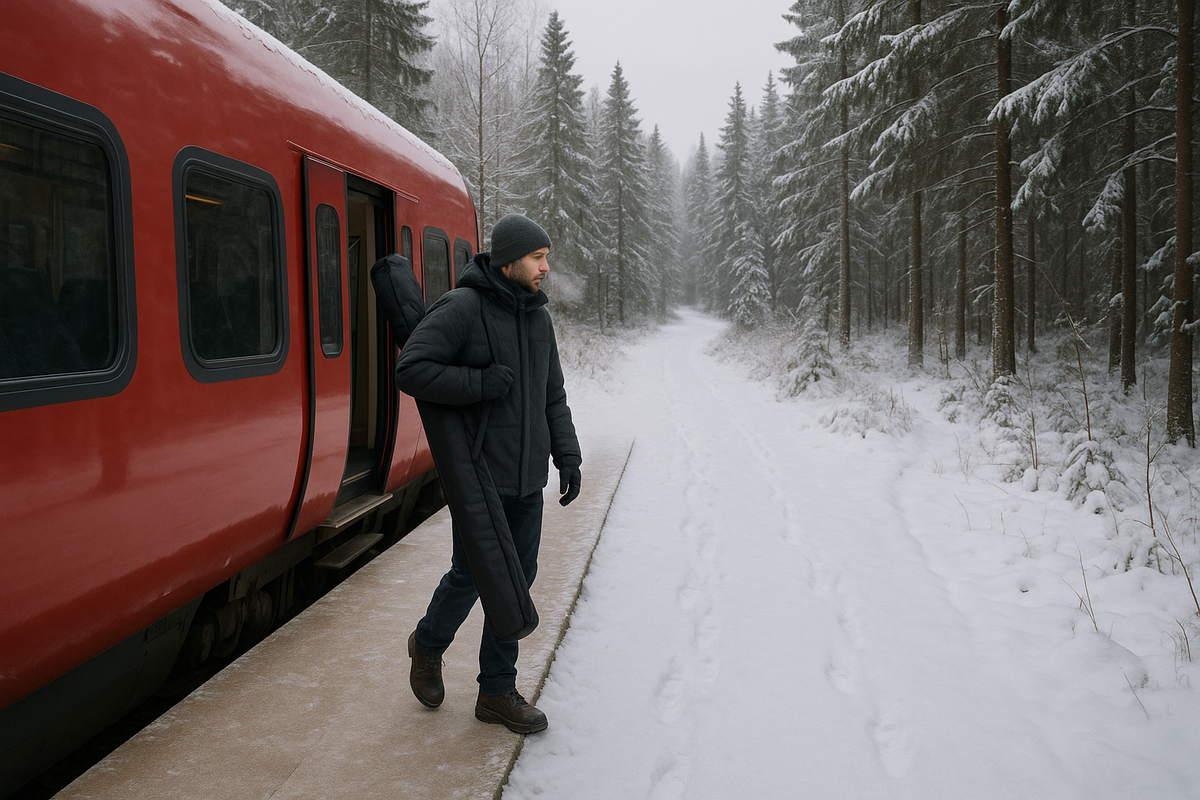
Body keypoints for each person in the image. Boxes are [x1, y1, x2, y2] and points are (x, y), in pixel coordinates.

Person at [395, 213, 582, 734]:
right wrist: (479, 383)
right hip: (481, 477)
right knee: (474, 575)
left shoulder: (538, 319)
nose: (547, 266)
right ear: (509, 260)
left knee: (518, 582)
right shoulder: (464, 307)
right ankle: (428, 643)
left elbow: (553, 394)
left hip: (528, 481)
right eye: (539, 257)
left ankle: (496, 692)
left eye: (547, 257)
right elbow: (412, 368)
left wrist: (566, 454)